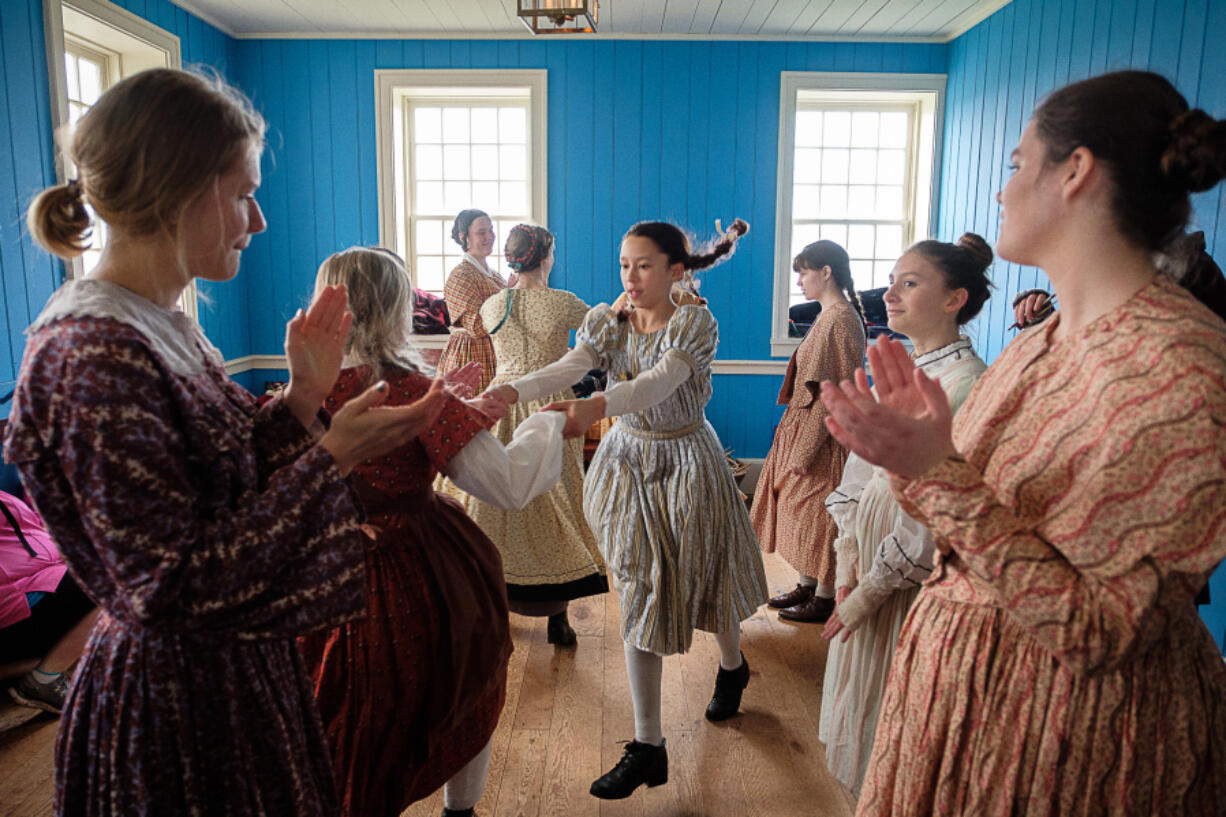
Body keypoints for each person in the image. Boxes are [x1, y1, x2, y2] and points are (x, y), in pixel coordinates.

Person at [3, 68, 447, 816]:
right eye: (243, 193)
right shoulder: (90, 352)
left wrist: (304, 399)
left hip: (230, 676)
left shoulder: (160, 324)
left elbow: (222, 486)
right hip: (175, 707)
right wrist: (334, 452)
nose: (261, 220)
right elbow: (171, 587)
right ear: (177, 190)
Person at [821, 70, 1226, 815]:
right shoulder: (1043, 339)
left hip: (1065, 736)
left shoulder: (1180, 368)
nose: (1002, 191)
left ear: (1075, 172)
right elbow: (971, 508)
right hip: (968, 703)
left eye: (1015, 164)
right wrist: (915, 456)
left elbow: (1100, 628)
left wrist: (934, 470)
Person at [486, 218, 769, 800]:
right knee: (639, 588)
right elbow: (570, 365)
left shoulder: (694, 321)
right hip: (627, 461)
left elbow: (659, 384)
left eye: (644, 265)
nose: (631, 277)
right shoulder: (608, 318)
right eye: (623, 265)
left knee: (707, 582)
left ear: (675, 270)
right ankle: (649, 746)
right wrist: (511, 391)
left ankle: (733, 663)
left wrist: (594, 406)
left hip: (687, 458)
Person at [298, 246, 567, 817]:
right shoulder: (414, 392)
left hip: (316, 572)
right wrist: (549, 423)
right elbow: (508, 484)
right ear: (399, 308)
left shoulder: (300, 392)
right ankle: (459, 810)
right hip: (417, 565)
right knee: (461, 687)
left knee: (332, 709)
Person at [817, 234, 992, 796]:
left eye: (909, 283)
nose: (888, 293)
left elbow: (933, 516)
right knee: (860, 694)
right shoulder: (906, 370)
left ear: (953, 299)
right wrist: (847, 565)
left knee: (892, 704)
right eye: (892, 280)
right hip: (867, 560)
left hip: (907, 582)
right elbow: (859, 472)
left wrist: (870, 591)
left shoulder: (966, 383)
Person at [438, 224, 607, 647]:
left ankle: (491, 597)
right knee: (559, 498)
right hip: (551, 402)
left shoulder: (494, 304)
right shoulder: (563, 302)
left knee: (494, 502)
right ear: (547, 256)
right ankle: (559, 618)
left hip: (502, 400)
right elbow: (602, 335)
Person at [751, 241, 867, 622]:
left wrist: (803, 452)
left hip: (823, 433)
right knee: (797, 510)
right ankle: (807, 583)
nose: (799, 280)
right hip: (803, 424)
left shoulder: (840, 319)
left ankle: (826, 595)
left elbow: (830, 393)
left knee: (819, 515)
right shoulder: (827, 315)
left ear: (827, 272)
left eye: (804, 272)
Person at [0, 490, 99, 714]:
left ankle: (35, 666)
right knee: (109, 578)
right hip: (17, 603)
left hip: (43, 580)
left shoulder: (6, 495)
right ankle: (42, 680)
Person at [436, 209, 506, 392]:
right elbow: (475, 326)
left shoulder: (495, 276)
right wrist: (510, 297)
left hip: (494, 353)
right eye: (481, 232)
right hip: (470, 357)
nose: (489, 236)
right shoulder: (461, 275)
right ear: (463, 237)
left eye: (491, 230)